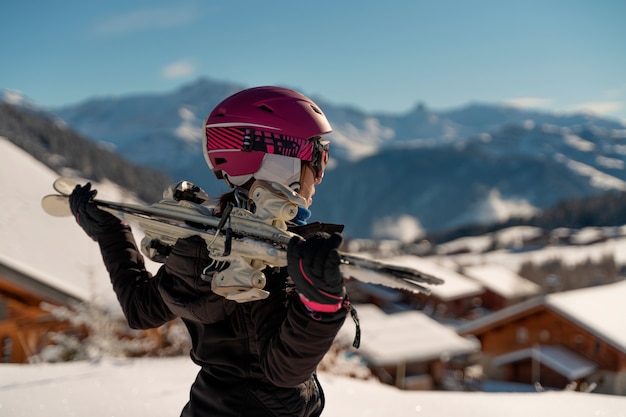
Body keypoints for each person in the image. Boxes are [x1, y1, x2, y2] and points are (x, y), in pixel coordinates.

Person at [68, 86, 355, 417]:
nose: (318, 176)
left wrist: (111, 234)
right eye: (318, 158)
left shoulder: (202, 241)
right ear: (281, 163)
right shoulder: (264, 260)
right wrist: (319, 308)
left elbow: (141, 309)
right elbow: (282, 373)